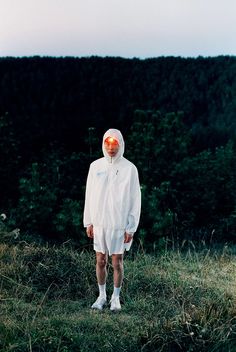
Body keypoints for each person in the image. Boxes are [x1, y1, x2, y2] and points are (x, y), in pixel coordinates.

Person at [83, 128, 141, 311]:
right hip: (100, 221)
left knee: (117, 262)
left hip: (119, 222)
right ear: (103, 144)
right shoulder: (95, 166)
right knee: (100, 260)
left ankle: (115, 298)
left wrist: (131, 227)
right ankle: (101, 296)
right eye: (107, 143)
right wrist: (89, 221)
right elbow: (89, 194)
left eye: (114, 144)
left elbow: (135, 199)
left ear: (121, 145)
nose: (111, 148)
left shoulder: (130, 169)